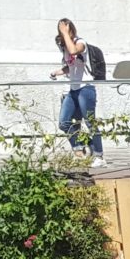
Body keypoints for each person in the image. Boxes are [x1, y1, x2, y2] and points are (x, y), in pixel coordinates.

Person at [50, 18, 103, 166]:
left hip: (86, 88)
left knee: (90, 122)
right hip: (73, 90)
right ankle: (81, 147)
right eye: (60, 33)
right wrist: (56, 72)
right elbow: (70, 66)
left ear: (70, 30)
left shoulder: (81, 43)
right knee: (64, 122)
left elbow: (74, 50)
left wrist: (66, 34)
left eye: (64, 31)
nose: (62, 36)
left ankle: (99, 156)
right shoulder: (66, 48)